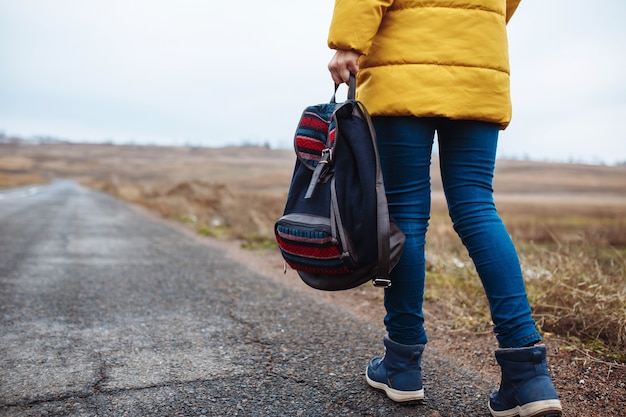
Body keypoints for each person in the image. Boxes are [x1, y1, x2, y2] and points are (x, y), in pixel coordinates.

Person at [327, 1, 562, 416]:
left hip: (405, 69)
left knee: (406, 216)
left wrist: (348, 42)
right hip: (477, 66)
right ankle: (529, 373)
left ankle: (401, 364)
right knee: (477, 207)